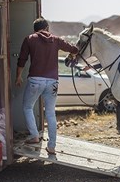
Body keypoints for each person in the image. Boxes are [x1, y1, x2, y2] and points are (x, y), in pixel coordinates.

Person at [15, 17, 79, 155]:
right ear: (47, 28)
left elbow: (22, 59)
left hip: (35, 80)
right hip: (53, 82)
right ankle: (51, 147)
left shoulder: (29, 39)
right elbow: (74, 49)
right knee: (50, 113)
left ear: (35, 29)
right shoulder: (56, 40)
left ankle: (34, 136)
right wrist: (73, 54)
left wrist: (18, 76)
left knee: (27, 107)